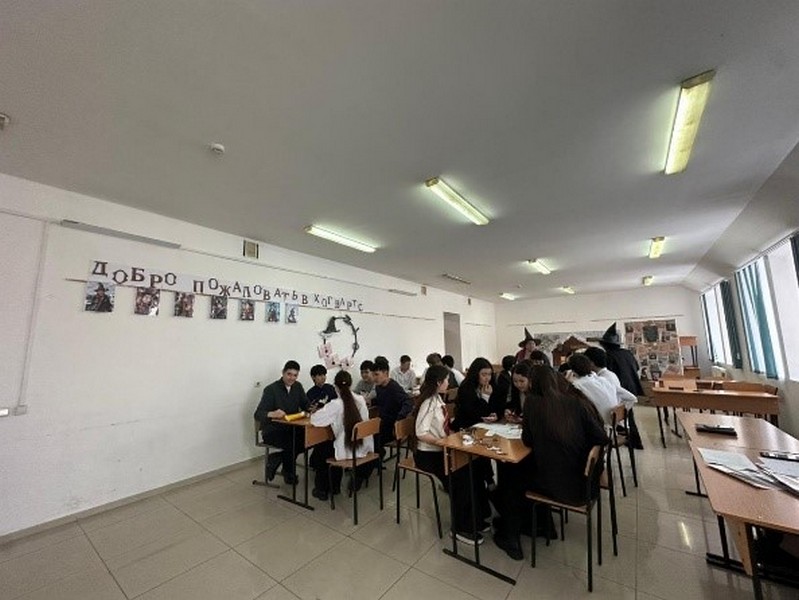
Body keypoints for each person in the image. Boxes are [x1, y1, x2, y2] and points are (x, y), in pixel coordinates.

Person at [493, 365, 610, 560]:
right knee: (526, 469)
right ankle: (543, 526)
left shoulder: (534, 403)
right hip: (586, 483)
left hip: (564, 488)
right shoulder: (576, 401)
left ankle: (510, 536)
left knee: (511, 476)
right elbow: (602, 437)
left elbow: (527, 441)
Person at [413, 365, 491, 544]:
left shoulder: (437, 399)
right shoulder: (428, 403)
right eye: (447, 380)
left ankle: (476, 518)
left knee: (472, 471)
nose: (449, 383)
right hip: (428, 455)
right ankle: (461, 528)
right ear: (438, 382)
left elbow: (441, 426)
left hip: (441, 450)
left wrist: (455, 432)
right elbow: (420, 433)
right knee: (461, 480)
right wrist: (442, 442)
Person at [309, 370, 374, 500]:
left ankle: (322, 489)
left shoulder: (336, 404)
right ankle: (334, 487)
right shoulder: (361, 400)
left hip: (347, 449)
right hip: (363, 447)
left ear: (336, 387)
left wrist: (317, 411)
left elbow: (314, 420)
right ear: (350, 385)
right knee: (328, 446)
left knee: (321, 450)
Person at [253, 360, 310, 485]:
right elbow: (258, 414)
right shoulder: (271, 389)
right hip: (273, 430)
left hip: (291, 428)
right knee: (292, 443)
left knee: (308, 440)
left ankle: (278, 459)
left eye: (295, 375)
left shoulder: (298, 387)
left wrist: (313, 408)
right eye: (289, 374)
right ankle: (288, 472)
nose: (292, 378)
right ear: (283, 373)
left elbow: (305, 404)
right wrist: (272, 413)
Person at [597, 323, 645, 448]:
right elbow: (636, 368)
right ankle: (631, 439)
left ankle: (633, 440)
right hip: (632, 386)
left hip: (620, 388)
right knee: (627, 414)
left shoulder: (608, 356)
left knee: (623, 415)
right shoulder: (627, 353)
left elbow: (608, 374)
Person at [567, 353, 619, 426]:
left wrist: (567, 381)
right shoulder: (601, 380)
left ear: (573, 370)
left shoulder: (578, 385)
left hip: (600, 423)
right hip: (612, 419)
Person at [371, 358, 413, 447]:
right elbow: (383, 400)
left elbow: (408, 402)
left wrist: (399, 418)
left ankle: (379, 453)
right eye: (373, 375)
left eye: (376, 374)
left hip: (392, 424)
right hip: (383, 421)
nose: (374, 378)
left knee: (373, 437)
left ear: (385, 373)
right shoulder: (378, 387)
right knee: (369, 433)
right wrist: (370, 401)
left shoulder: (394, 387)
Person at [583, 346, 638, 410]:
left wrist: (619, 412)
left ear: (591, 363)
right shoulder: (610, 374)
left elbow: (632, 398)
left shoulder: (604, 379)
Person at [453, 357, 497, 430]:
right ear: (476, 374)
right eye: (484, 375)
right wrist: (485, 396)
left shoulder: (490, 386)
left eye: (489, 374)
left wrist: (494, 415)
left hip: (484, 424)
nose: (487, 378)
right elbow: (472, 413)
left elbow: (494, 406)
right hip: (466, 425)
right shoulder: (466, 388)